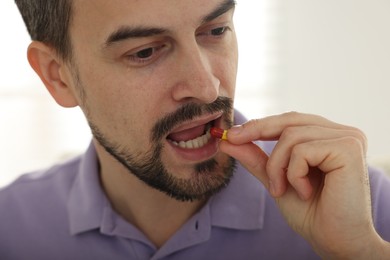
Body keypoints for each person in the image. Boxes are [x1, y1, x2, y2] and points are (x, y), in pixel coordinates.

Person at [1, 0, 390, 259]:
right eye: (145, 52)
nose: (207, 88)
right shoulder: (11, 229)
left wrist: (361, 253)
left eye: (216, 31)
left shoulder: (361, 207)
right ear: (58, 76)